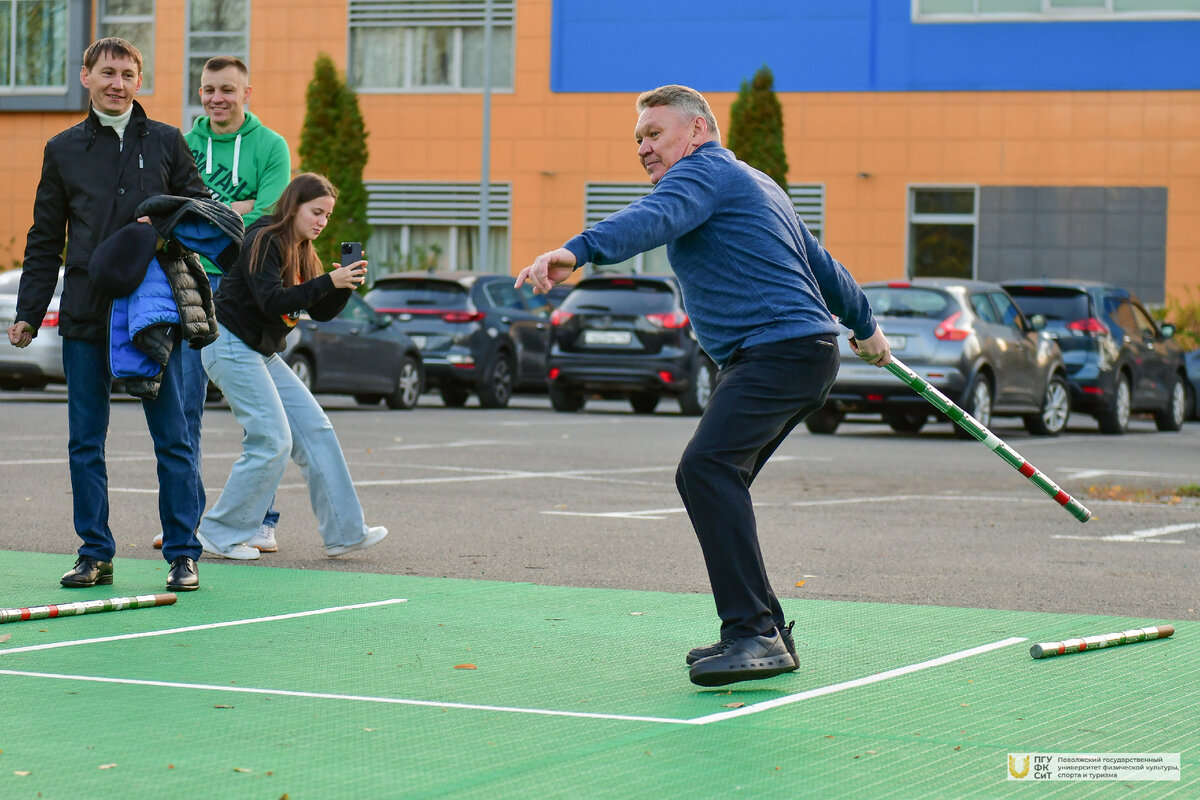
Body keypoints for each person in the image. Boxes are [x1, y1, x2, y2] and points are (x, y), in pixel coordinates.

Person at [515, 85, 893, 687]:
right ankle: (765, 629)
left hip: (778, 351)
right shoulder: (756, 181)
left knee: (707, 470)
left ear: (696, 131)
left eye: (654, 133)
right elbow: (823, 264)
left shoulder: (705, 173)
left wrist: (579, 250)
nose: (643, 147)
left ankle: (753, 635)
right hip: (794, 353)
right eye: (637, 138)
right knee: (719, 476)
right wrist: (866, 326)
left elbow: (654, 217)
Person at [7, 37, 209, 591]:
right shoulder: (62, 149)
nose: (117, 83)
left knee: (172, 436)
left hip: (155, 313)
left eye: (127, 74)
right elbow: (45, 237)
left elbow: (202, 212)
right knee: (85, 439)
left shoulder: (168, 142)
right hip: (86, 314)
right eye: (107, 73)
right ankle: (96, 552)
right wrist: (29, 311)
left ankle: (183, 553)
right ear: (86, 77)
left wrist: (160, 226)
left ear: (139, 82)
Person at [196, 172, 388, 560]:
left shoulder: (303, 251)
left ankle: (346, 533)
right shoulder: (263, 239)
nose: (321, 221)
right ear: (294, 205)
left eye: (328, 216)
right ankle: (218, 533)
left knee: (316, 429)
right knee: (272, 440)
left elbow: (318, 311)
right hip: (230, 345)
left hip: (260, 352)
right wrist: (327, 282)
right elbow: (272, 301)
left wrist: (341, 286)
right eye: (316, 212)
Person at [151, 56, 294, 554]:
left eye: (228, 89)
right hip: (186, 290)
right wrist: (228, 210)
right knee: (181, 411)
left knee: (260, 418)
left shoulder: (271, 146)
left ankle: (259, 521)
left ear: (246, 93)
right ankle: (186, 520)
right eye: (209, 89)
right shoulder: (182, 145)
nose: (217, 98)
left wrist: (205, 214)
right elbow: (166, 213)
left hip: (244, 297)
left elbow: (269, 217)